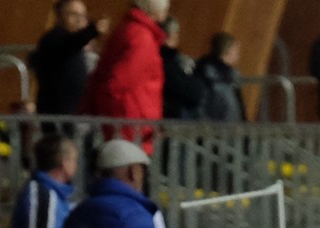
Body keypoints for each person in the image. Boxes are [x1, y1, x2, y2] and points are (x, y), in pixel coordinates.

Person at [80, 0, 169, 151]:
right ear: (153, 10)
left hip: (122, 117)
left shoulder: (126, 29)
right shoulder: (143, 37)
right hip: (132, 120)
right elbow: (122, 80)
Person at [29, 0, 110, 123]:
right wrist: (92, 31)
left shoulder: (77, 46)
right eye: (73, 14)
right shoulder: (54, 38)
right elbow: (70, 44)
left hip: (75, 113)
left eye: (83, 15)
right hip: (58, 114)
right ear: (60, 16)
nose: (79, 20)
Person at [195, 32, 247, 123]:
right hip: (217, 127)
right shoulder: (210, 76)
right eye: (236, 49)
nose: (238, 53)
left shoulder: (230, 76)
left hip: (229, 126)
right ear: (228, 50)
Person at [160, 15, 203, 119]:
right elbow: (190, 92)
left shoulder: (174, 59)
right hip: (170, 115)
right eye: (175, 34)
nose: (177, 37)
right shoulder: (166, 61)